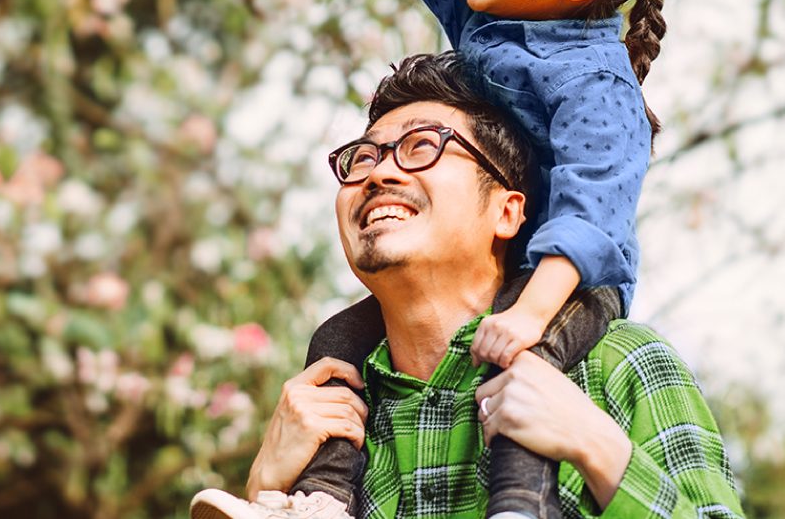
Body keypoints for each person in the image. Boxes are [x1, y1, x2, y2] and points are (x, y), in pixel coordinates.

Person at [285, 0, 672, 519]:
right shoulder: (490, 20)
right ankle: (321, 500)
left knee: (525, 373)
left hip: (568, 283)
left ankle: (518, 505)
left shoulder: (598, 87)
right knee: (333, 341)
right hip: (506, 277)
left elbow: (595, 212)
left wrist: (528, 312)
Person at [189, 53, 743, 519]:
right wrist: (264, 483)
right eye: (363, 157)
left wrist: (596, 447)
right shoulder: (324, 419)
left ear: (507, 211)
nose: (380, 173)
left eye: (422, 146)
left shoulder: (618, 365)